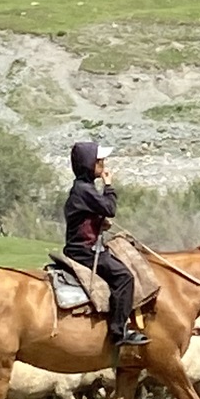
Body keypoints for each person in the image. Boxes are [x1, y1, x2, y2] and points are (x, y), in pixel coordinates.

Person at [63, 141, 146, 347]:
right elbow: (110, 208)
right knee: (124, 277)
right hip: (84, 251)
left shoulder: (84, 189)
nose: (103, 164)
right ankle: (118, 332)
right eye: (99, 160)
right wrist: (109, 186)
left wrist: (98, 223)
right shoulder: (84, 190)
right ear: (88, 164)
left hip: (83, 246)